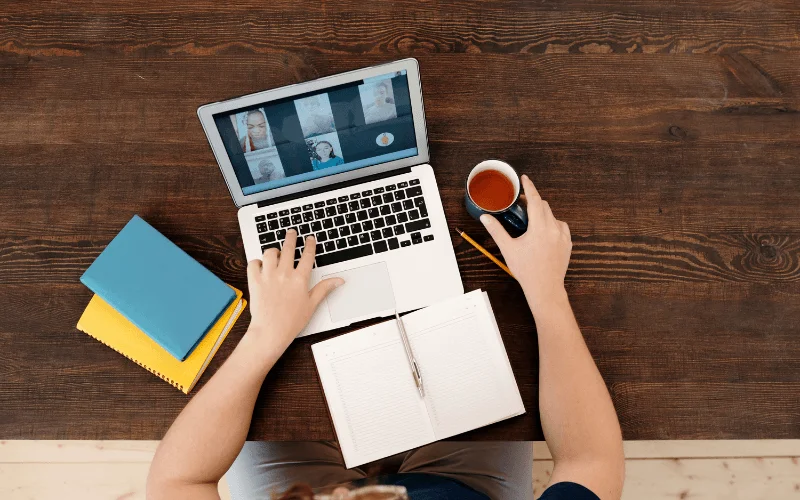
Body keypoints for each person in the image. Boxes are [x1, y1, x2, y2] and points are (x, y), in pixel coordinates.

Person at [147, 175, 625, 500]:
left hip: (298, 480)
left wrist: (265, 337)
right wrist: (546, 291)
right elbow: (591, 462)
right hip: (462, 487)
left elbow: (176, 481)